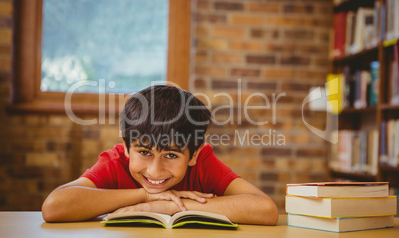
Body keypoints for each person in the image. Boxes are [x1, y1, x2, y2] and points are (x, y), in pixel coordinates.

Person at [42, 85, 278, 225]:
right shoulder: (115, 162)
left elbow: (265, 210)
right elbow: (54, 207)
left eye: (172, 155)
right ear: (126, 147)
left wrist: (173, 206)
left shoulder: (203, 162)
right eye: (144, 152)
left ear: (194, 154)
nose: (154, 171)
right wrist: (144, 197)